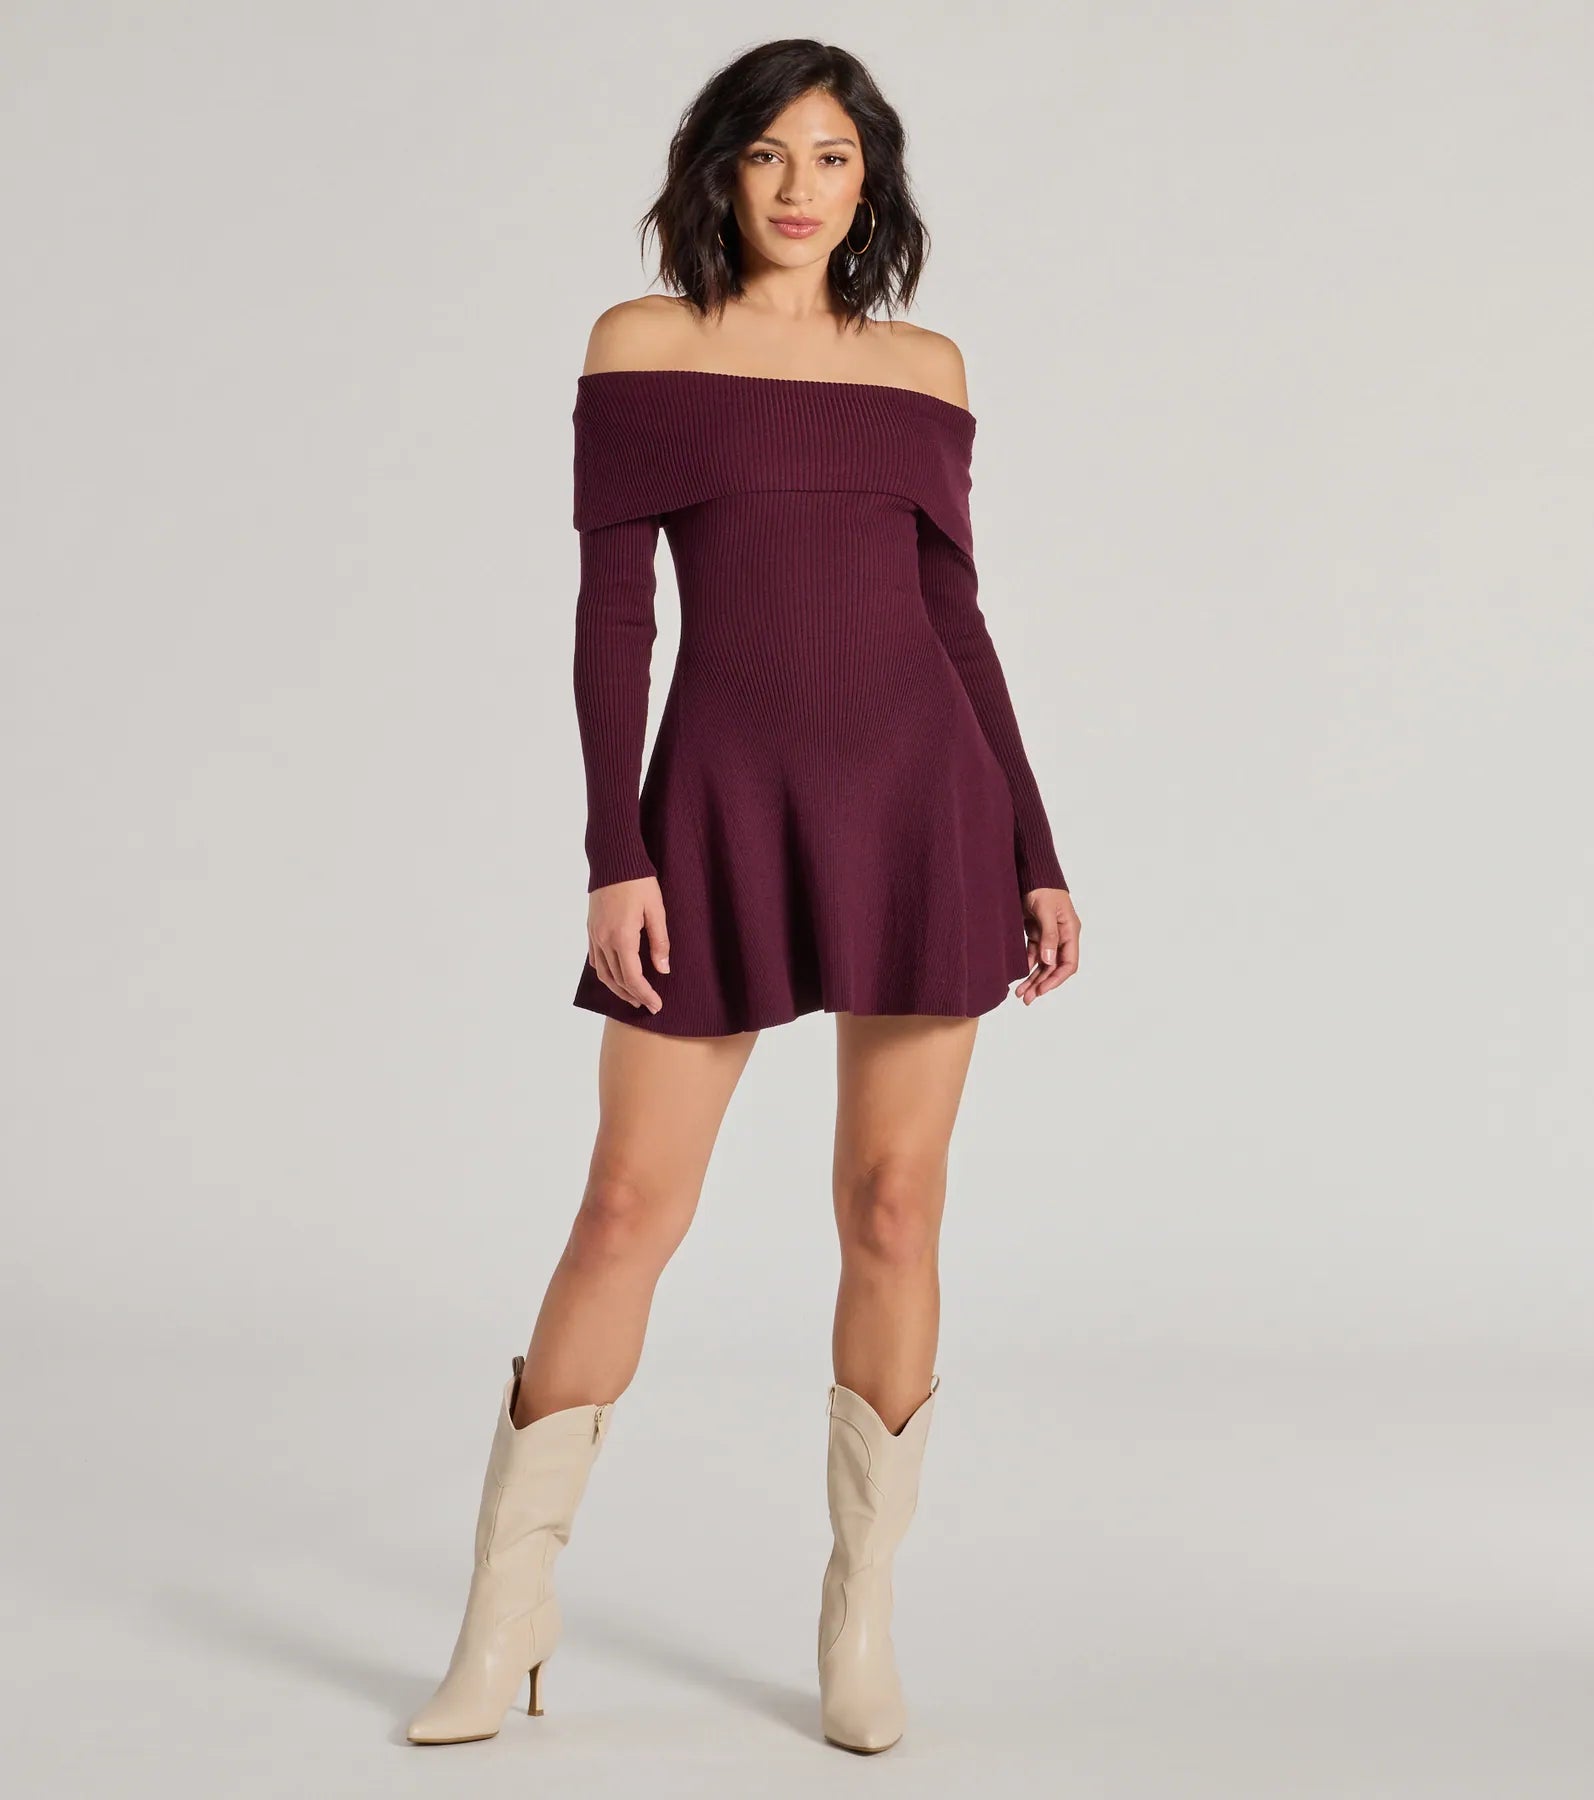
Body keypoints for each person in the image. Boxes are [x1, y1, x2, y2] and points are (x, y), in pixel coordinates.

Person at [406, 37, 1082, 1756]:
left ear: (871, 184)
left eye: (832, 157)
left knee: (893, 1211)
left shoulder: (921, 367)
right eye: (768, 152)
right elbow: (612, 620)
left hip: (925, 805)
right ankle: (504, 1616)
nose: (798, 185)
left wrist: (1034, 846)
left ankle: (858, 1621)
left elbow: (955, 622)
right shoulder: (643, 346)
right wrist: (611, 849)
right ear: (718, 169)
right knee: (626, 1207)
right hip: (712, 810)